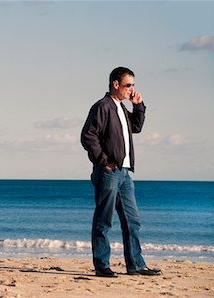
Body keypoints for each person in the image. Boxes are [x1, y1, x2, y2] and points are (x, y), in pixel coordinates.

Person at [80, 67, 161, 277]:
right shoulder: (102, 107)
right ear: (116, 84)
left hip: (125, 173)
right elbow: (88, 136)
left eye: (133, 85)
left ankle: (136, 265)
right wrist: (104, 161)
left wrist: (139, 106)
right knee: (104, 220)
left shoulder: (122, 109)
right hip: (109, 172)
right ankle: (102, 266)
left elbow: (136, 127)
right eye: (128, 85)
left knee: (132, 220)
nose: (131, 89)